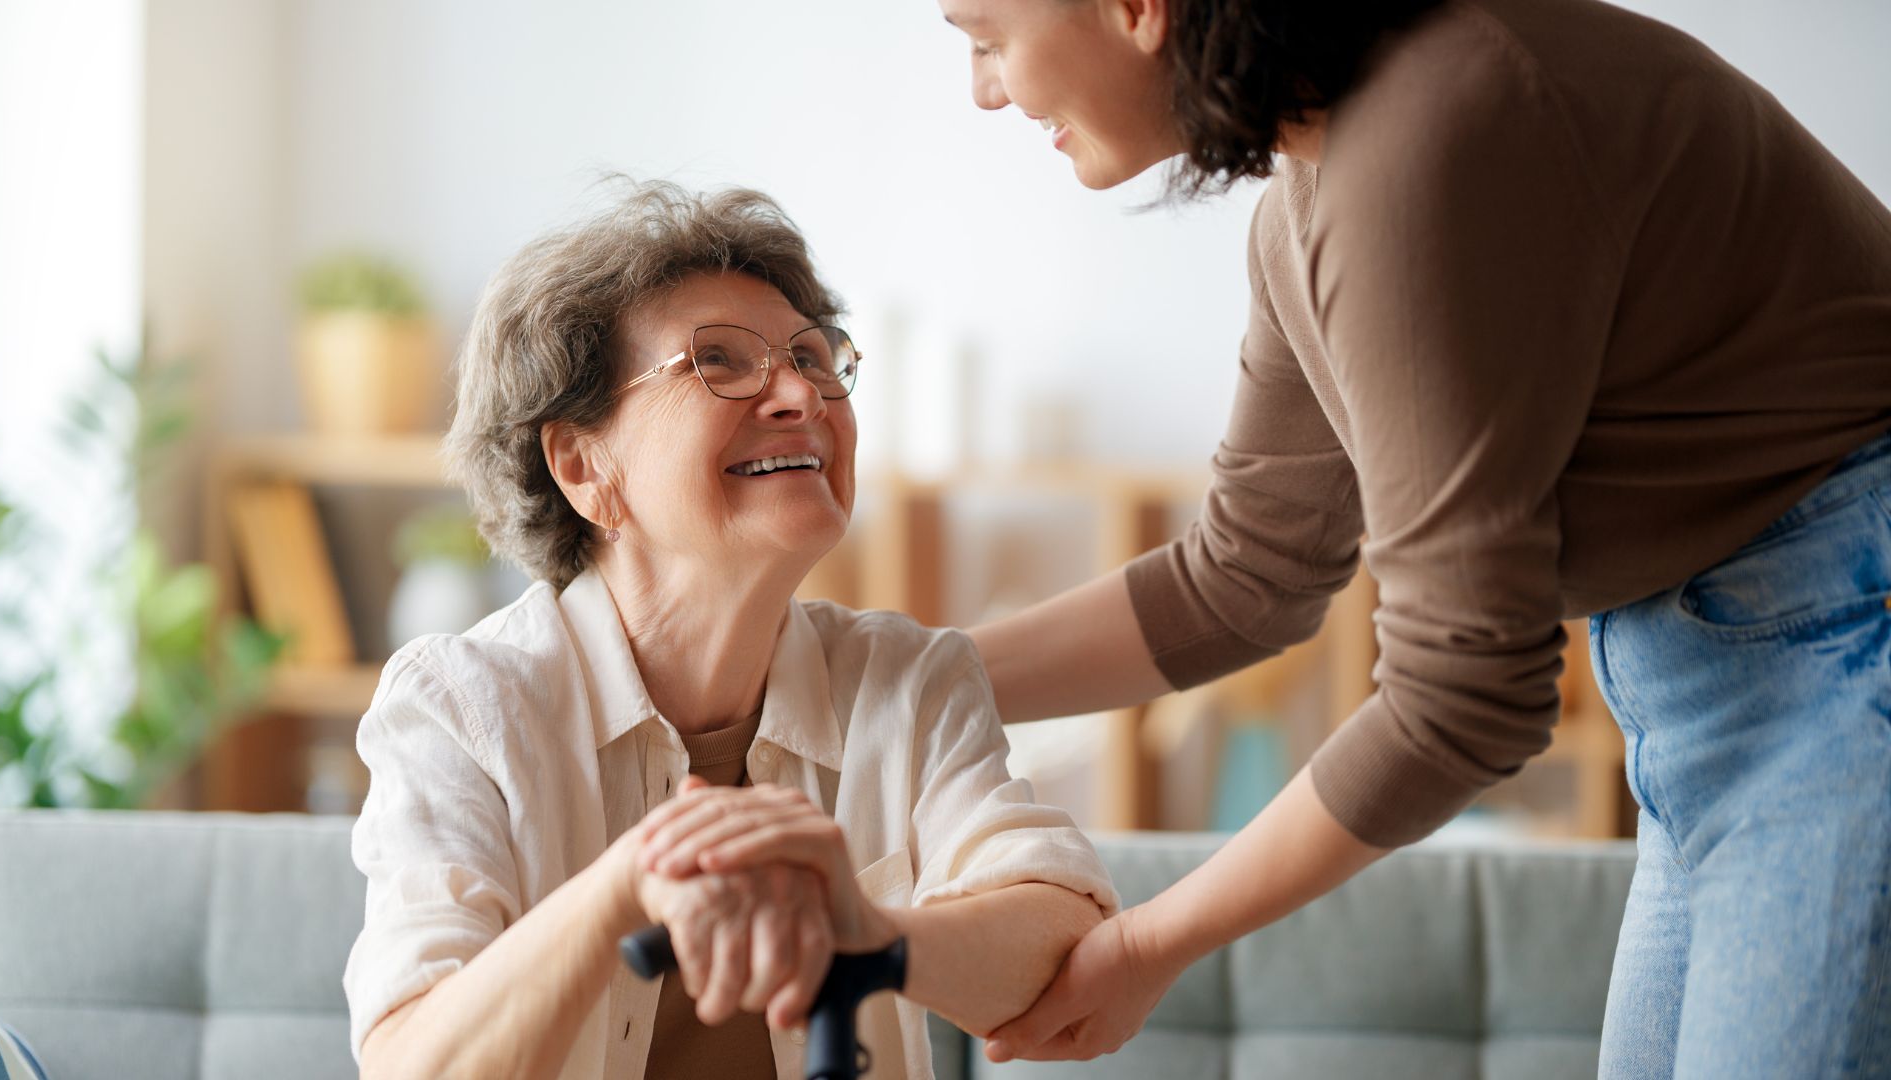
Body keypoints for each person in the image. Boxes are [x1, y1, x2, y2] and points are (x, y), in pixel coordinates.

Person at [937, 0, 1891, 1076]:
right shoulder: (1313, 198)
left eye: (987, 38)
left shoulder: (1425, 142)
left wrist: (1150, 944)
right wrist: (902, 676)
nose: (985, 90)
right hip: (1718, 697)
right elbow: (1245, 576)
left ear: (1134, 8)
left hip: (1846, 649)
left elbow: (1463, 693)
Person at [343, 182, 1115, 1080]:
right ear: (584, 466)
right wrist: (630, 884)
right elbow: (412, 1065)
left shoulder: (909, 680)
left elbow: (1066, 942)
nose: (800, 394)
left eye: (813, 357)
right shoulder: (461, 707)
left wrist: (869, 935)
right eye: (718, 360)